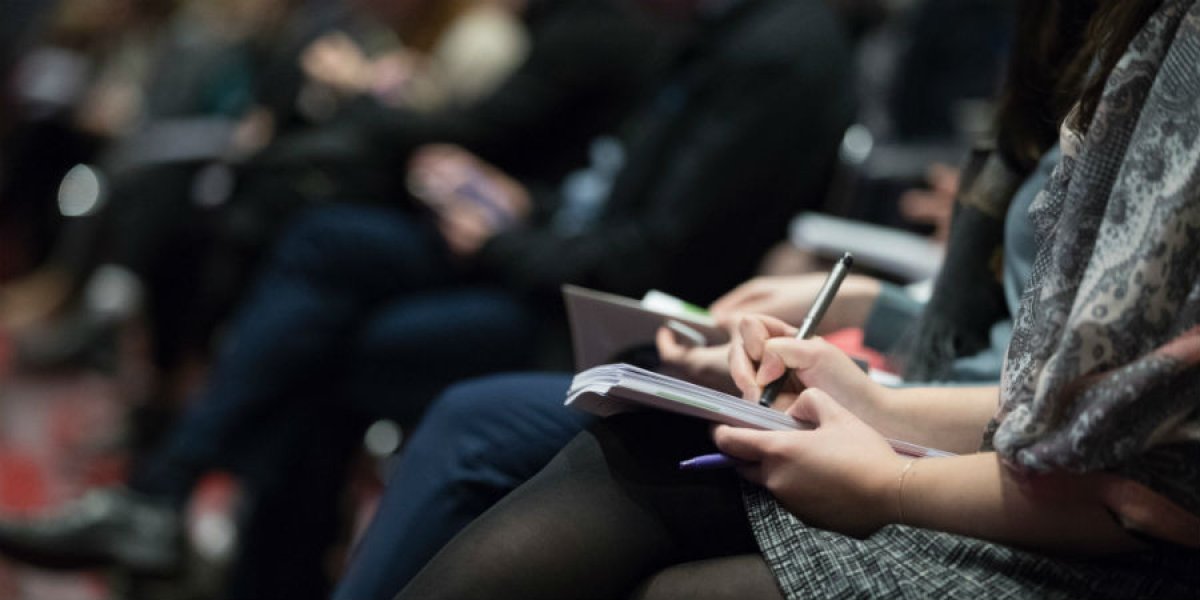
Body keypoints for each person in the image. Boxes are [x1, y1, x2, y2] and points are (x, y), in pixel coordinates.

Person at [0, 0, 856, 598]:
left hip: (619, 323)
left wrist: (504, 236)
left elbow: (651, 254)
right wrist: (520, 205)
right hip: (558, 265)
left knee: (333, 345)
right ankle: (189, 515)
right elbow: (602, 193)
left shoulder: (767, 48)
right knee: (321, 244)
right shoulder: (706, 29)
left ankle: (185, 513)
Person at [388, 0, 1200, 597]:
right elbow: (1053, 391)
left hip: (1061, 514)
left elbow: (1133, 465)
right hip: (982, 431)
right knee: (613, 441)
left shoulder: (781, 45)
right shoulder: (1105, 42)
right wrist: (867, 382)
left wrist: (891, 469)